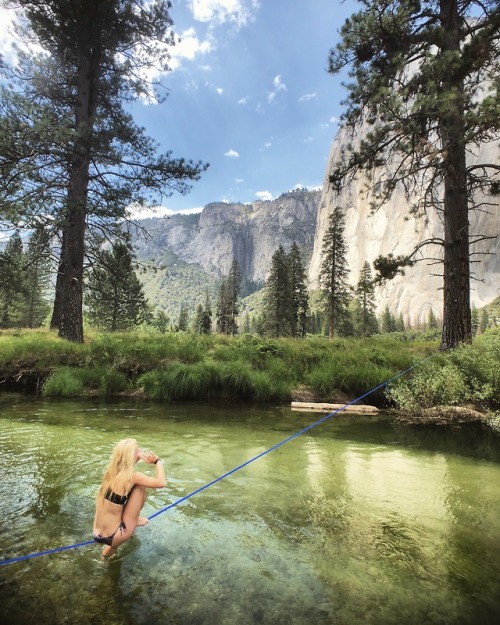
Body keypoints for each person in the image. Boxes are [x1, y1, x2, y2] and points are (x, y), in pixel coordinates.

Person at [93, 438, 166, 558]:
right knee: (141, 486)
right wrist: (157, 461)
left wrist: (136, 456)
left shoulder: (110, 474)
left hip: (97, 533)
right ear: (130, 456)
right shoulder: (134, 477)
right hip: (116, 535)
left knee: (116, 502)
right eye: (137, 449)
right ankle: (133, 520)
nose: (141, 450)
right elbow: (161, 483)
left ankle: (105, 556)